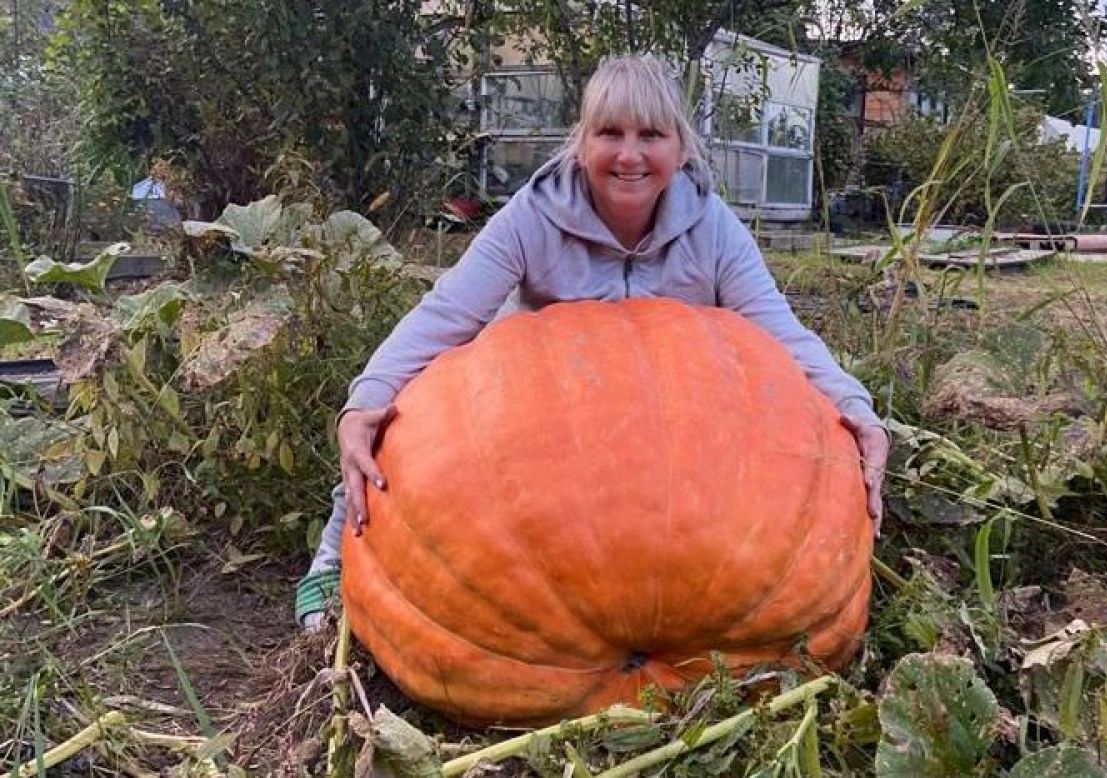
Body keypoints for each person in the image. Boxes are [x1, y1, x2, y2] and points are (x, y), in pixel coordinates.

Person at [295, 54, 890, 629]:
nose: (629, 154)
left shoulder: (712, 228)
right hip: (545, 400)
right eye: (610, 132)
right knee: (408, 424)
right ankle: (333, 554)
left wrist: (856, 409)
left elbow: (779, 333)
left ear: (680, 150)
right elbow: (446, 314)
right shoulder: (533, 216)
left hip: (667, 412)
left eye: (650, 134)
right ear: (583, 143)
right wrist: (365, 399)